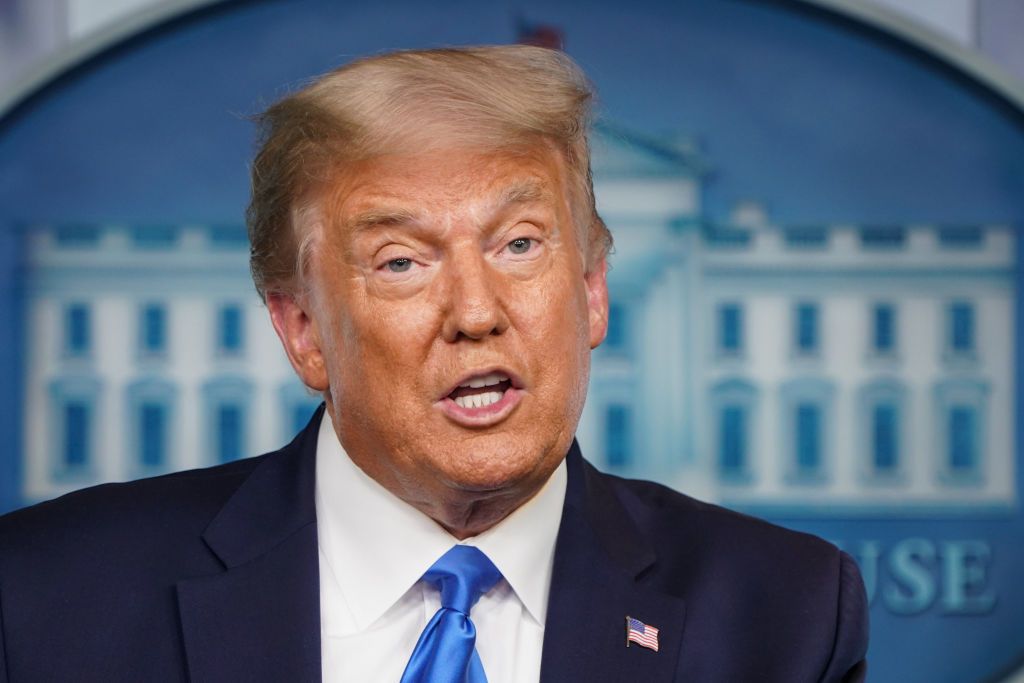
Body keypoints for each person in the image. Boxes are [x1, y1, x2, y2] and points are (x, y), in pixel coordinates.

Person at [0, 46, 868, 682]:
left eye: (521, 244)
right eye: (402, 261)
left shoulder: (785, 617)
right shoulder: (48, 598)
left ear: (594, 292)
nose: (478, 312)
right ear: (302, 329)